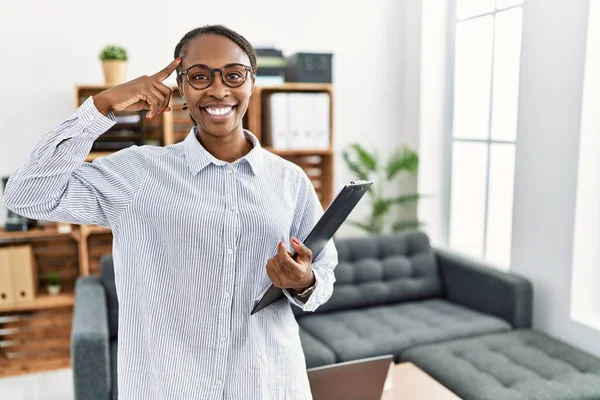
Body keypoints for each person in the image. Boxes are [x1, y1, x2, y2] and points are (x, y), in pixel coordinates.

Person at [3, 25, 338, 400]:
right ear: (180, 86)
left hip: (268, 382)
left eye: (233, 75)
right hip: (170, 385)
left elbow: (323, 274)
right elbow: (25, 194)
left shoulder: (290, 180)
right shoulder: (137, 173)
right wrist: (102, 107)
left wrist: (304, 280)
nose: (218, 89)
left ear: (251, 83)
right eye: (199, 76)